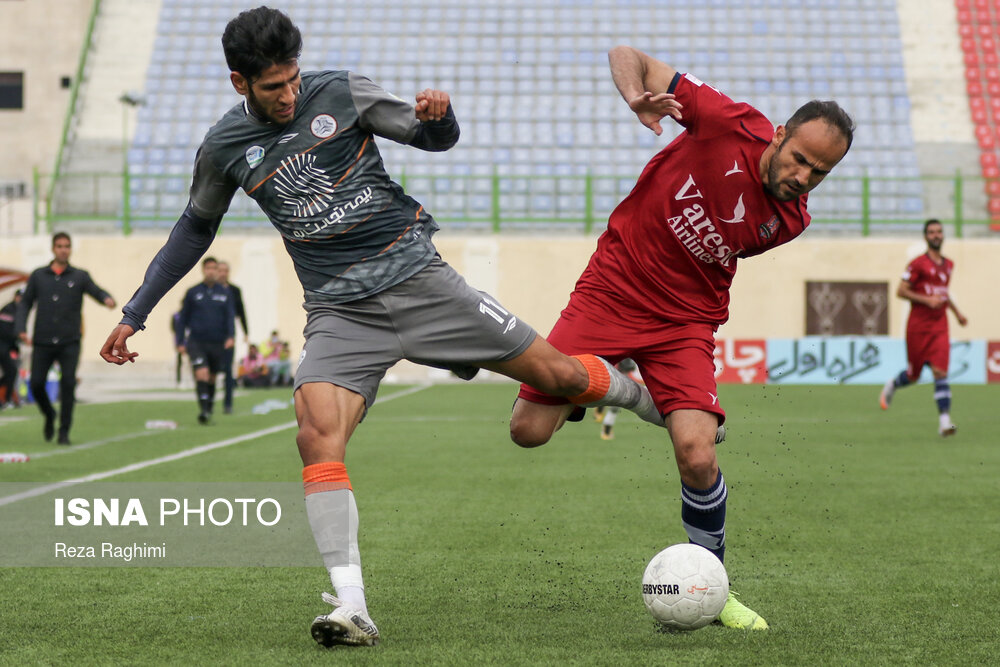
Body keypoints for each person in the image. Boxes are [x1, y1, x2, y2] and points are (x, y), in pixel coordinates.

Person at [99, 7, 660, 648]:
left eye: (292, 80)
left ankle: (650, 402)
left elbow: (434, 140)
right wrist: (135, 312)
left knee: (561, 375)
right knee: (316, 431)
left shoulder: (343, 90)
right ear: (239, 83)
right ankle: (352, 606)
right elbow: (195, 228)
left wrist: (437, 116)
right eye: (271, 87)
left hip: (422, 282)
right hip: (341, 314)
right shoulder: (225, 147)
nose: (288, 96)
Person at [510, 46, 854, 631]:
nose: (802, 178)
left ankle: (715, 591)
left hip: (685, 324)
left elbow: (717, 251)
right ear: (777, 134)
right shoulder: (727, 120)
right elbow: (627, 55)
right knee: (527, 432)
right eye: (798, 159)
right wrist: (636, 99)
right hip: (612, 290)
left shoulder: (790, 221)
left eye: (818, 173)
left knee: (697, 453)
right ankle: (638, 397)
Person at [16, 232, 116, 444]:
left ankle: (64, 431)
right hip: (43, 340)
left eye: (67, 246)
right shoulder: (38, 276)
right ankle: (49, 414)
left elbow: (96, 291)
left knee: (68, 383)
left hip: (69, 341)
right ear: (53, 249)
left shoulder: (79, 276)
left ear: (70, 250)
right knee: (35, 384)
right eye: (60, 246)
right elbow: (25, 303)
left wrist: (106, 298)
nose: (63, 249)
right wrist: (21, 328)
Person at [879, 219, 967, 436]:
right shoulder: (917, 264)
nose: (936, 235)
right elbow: (901, 291)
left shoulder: (949, 265)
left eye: (939, 231)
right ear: (925, 236)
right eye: (931, 232)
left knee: (940, 371)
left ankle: (945, 422)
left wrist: (957, 313)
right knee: (913, 375)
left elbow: (944, 293)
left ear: (943, 235)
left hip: (940, 326)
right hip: (918, 327)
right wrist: (926, 300)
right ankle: (892, 384)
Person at [176, 257, 235, 424]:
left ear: (217, 271)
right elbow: (183, 319)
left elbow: (230, 317)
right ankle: (203, 410)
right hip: (197, 341)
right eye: (208, 268)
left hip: (217, 342)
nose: (211, 271)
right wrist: (180, 341)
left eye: (214, 268)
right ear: (203, 270)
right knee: (201, 373)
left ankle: (209, 407)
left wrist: (231, 336)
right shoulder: (193, 292)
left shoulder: (225, 293)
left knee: (212, 377)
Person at [217, 261, 247, 413]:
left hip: (228, 335)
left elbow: (241, 311)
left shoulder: (234, 290)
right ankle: (207, 404)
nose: (223, 273)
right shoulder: (208, 290)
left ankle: (228, 404)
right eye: (220, 270)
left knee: (228, 370)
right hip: (212, 334)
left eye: (225, 271)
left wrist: (245, 332)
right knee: (211, 370)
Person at [0, 289, 23, 408]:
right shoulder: (8, 310)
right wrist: (18, 338)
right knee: (11, 371)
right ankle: (7, 399)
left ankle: (7, 399)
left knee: (11, 372)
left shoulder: (19, 310)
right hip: (2, 346)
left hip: (7, 347)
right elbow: (5, 331)